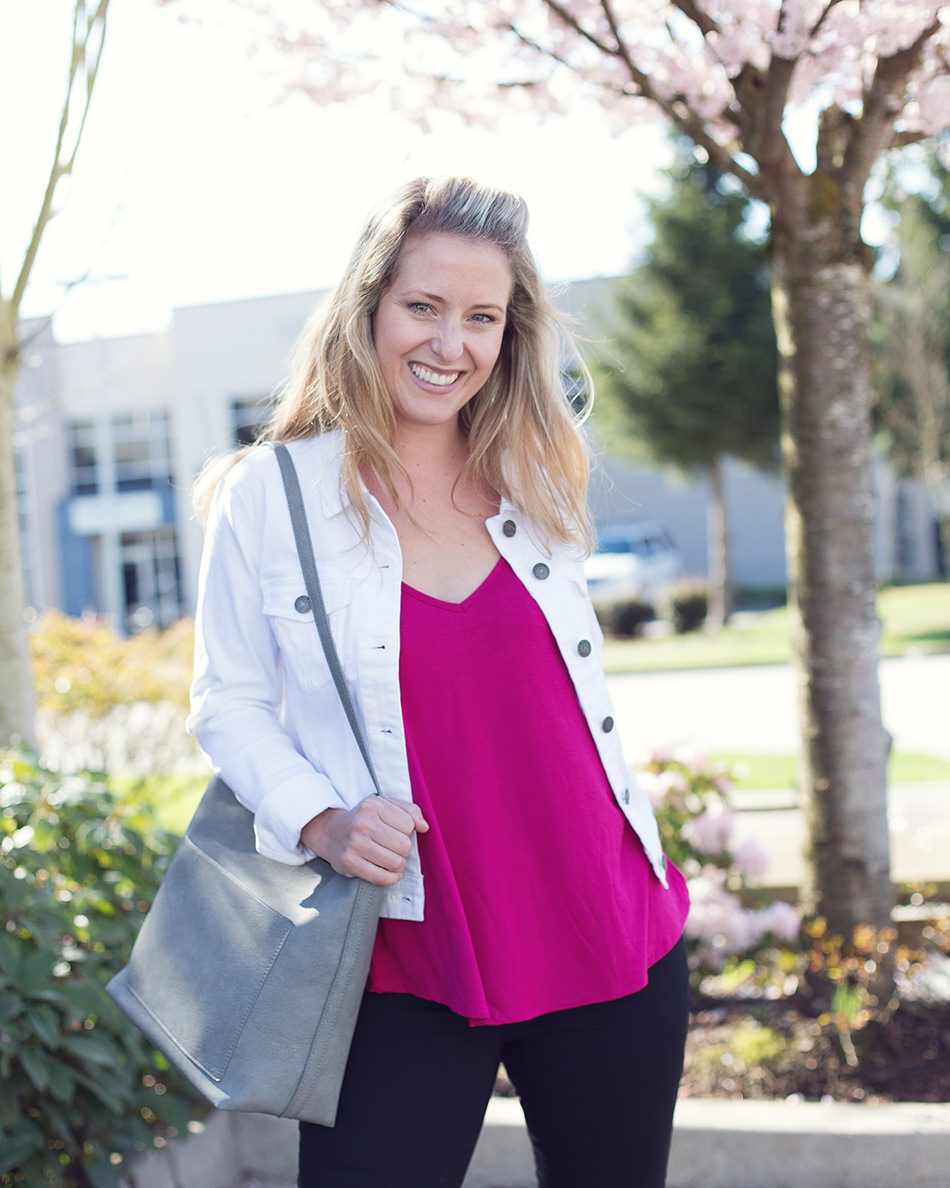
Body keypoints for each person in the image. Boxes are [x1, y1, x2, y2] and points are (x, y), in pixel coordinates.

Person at [187, 175, 691, 1188]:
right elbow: (227, 702)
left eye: (481, 318)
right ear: (366, 307)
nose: (447, 343)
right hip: (400, 954)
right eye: (422, 306)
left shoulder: (535, 475)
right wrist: (321, 817)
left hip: (602, 924)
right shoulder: (272, 495)